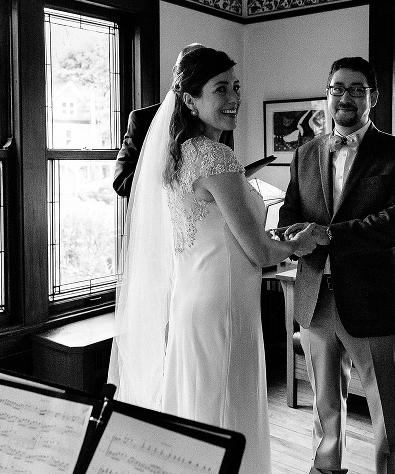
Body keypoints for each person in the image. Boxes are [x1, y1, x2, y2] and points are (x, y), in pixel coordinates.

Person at [108, 46, 318, 474]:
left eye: (236, 87)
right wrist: (302, 242)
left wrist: (275, 237)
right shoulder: (214, 156)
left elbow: (221, 235)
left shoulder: (176, 155)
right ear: (189, 99)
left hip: (192, 303)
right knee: (227, 411)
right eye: (220, 89)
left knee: (196, 407)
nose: (234, 98)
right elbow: (258, 252)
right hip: (223, 308)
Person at [277, 57, 395, 474]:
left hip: (375, 302)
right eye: (337, 88)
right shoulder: (304, 154)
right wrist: (290, 235)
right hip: (315, 300)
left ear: (373, 97)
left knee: (391, 417)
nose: (345, 97)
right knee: (324, 412)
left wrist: (329, 235)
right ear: (327, 94)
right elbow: (290, 214)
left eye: (356, 89)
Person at [112, 43, 234, 197]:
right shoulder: (142, 119)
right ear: (176, 72)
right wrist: (170, 176)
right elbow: (121, 182)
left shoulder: (218, 120)